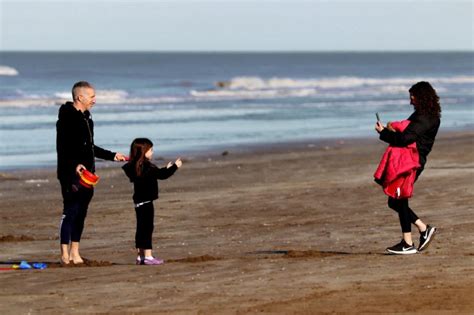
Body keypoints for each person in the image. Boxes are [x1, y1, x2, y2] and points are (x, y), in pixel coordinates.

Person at [56, 81, 126, 265]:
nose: (95, 100)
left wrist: (112, 156)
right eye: (92, 96)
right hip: (70, 173)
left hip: (88, 174)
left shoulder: (88, 118)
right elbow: (63, 148)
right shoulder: (66, 118)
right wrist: (74, 165)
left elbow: (90, 147)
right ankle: (64, 253)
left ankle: (75, 252)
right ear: (80, 97)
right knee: (70, 211)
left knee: (81, 212)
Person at [375, 81, 441, 255]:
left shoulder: (425, 118)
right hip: (411, 161)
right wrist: (388, 130)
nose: (410, 101)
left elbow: (405, 139)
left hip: (411, 162)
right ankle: (422, 229)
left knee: (399, 200)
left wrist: (383, 133)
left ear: (421, 97)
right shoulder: (423, 115)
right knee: (395, 200)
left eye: (412, 97)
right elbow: (406, 133)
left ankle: (408, 243)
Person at [122, 138, 182, 265]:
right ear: (143, 152)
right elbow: (162, 175)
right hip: (147, 203)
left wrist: (166, 168)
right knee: (147, 228)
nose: (153, 152)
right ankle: (148, 256)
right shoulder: (147, 167)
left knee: (140, 229)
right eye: (151, 150)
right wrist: (175, 167)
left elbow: (158, 173)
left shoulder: (135, 166)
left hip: (138, 203)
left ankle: (140, 256)